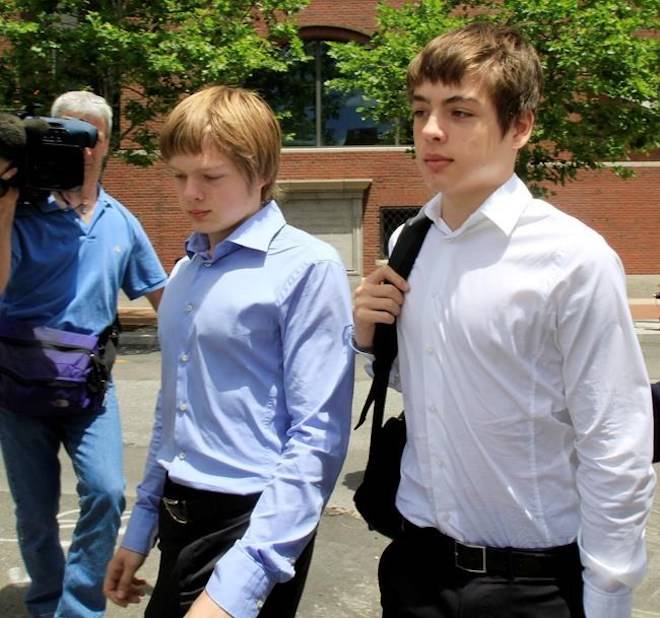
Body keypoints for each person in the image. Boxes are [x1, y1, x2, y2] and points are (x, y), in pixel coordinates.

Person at [353, 23, 656, 618]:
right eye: (420, 111)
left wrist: (608, 595)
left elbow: (615, 439)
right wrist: (368, 341)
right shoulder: (410, 242)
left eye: (460, 112)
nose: (431, 131)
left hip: (530, 586)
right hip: (414, 570)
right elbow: (439, 388)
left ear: (520, 126)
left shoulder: (573, 259)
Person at [103, 85, 354, 618]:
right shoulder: (186, 271)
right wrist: (141, 526)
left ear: (262, 173)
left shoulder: (307, 267)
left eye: (210, 176)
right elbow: (172, 411)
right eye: (178, 176)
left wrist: (245, 577)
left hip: (252, 521)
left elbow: (318, 436)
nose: (190, 193)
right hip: (178, 512)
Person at [0, 91, 167, 618]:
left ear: (106, 143)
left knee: (107, 490)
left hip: (89, 383)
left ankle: (78, 608)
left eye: (89, 136)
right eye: (64, 133)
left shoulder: (121, 220)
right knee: (34, 511)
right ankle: (47, 602)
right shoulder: (21, 211)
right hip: (18, 382)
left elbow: (166, 298)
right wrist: (5, 203)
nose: (81, 148)